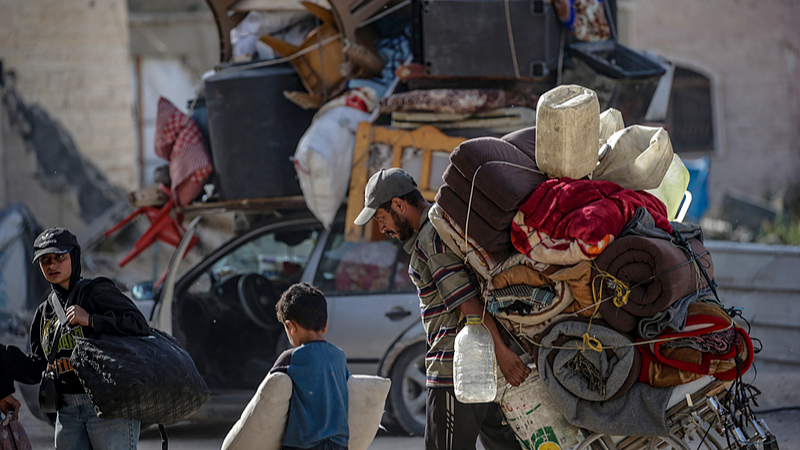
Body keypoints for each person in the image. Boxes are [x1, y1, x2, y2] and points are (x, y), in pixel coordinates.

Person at [354, 168, 531, 450]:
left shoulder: (430, 238)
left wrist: (502, 353)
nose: (382, 228)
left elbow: (467, 301)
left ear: (399, 205)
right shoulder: (441, 225)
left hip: (454, 371)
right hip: (483, 370)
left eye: (381, 218)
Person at [0, 227, 150, 449]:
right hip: (67, 411)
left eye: (59, 257)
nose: (52, 265)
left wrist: (90, 319)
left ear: (74, 256)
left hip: (108, 406)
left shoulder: (96, 291)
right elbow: (37, 368)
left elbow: (139, 325)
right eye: (44, 260)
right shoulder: (44, 312)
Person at [270, 282, 350, 450]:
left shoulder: (291, 357)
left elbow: (268, 394)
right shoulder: (340, 357)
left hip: (302, 445)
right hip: (339, 444)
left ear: (290, 327)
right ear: (326, 325)